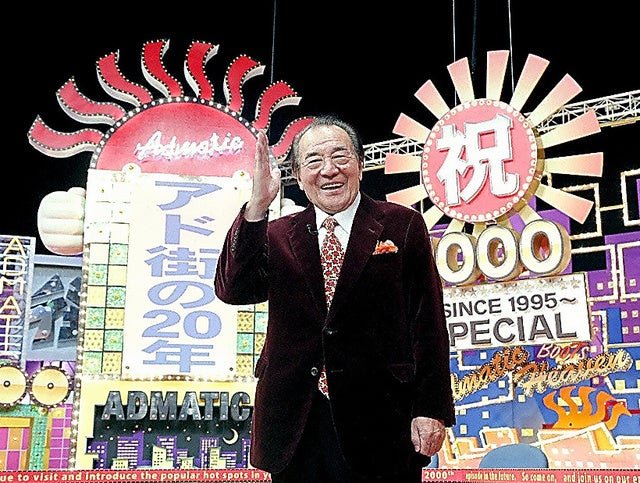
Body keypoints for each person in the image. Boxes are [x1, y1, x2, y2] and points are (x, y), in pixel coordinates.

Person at [215, 115, 455, 482]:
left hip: (382, 417)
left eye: (340, 157)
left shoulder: (401, 224)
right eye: (313, 161)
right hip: (296, 422)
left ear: (360, 164)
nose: (329, 170)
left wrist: (431, 408)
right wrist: (257, 207)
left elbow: (428, 322)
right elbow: (233, 289)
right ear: (297, 175)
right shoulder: (277, 234)